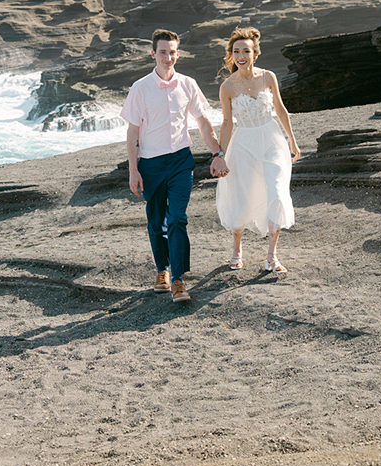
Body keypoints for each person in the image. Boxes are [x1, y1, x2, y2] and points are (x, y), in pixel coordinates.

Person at [121, 29, 229, 303]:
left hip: (181, 160)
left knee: (178, 218)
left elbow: (203, 123)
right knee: (156, 221)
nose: (168, 57)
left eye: (172, 52)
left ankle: (179, 280)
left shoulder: (188, 84)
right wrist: (133, 170)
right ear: (153, 54)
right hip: (151, 164)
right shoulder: (140, 88)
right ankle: (162, 271)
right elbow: (133, 133)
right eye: (163, 52)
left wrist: (217, 152)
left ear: (178, 54)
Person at [215, 26, 300, 275]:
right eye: (236, 51)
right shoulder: (227, 87)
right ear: (231, 55)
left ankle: (272, 256)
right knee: (242, 195)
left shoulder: (267, 77)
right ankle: (237, 248)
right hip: (243, 143)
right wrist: (220, 155)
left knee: (276, 191)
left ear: (255, 53)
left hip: (272, 140)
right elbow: (228, 122)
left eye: (246, 51)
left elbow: (281, 110)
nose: (241, 55)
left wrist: (292, 140)